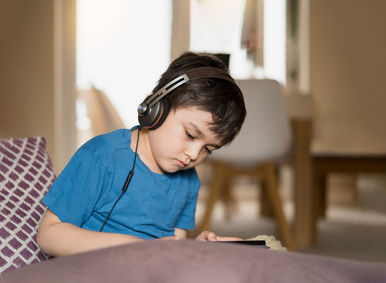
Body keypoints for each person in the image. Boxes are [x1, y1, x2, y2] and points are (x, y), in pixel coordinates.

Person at [37, 52, 247, 256]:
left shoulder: (189, 182)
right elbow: (49, 234)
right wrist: (128, 247)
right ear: (157, 109)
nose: (194, 155)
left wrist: (197, 250)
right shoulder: (101, 156)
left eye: (208, 149)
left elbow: (173, 250)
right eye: (190, 134)